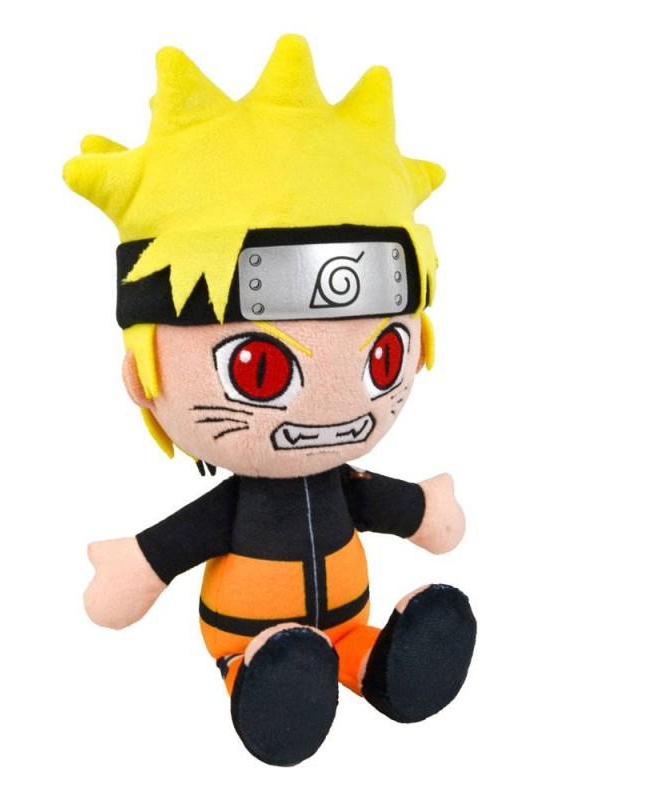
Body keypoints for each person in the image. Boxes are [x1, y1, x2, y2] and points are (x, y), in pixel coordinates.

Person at [65, 34, 476, 767]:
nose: (336, 405)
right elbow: (186, 536)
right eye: (260, 369)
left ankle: (376, 665)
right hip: (246, 634)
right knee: (271, 663)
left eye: (383, 357)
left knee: (351, 644)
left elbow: (381, 502)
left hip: (348, 616)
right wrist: (138, 565)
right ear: (143, 375)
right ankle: (259, 684)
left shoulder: (343, 480)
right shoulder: (239, 502)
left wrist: (423, 509)